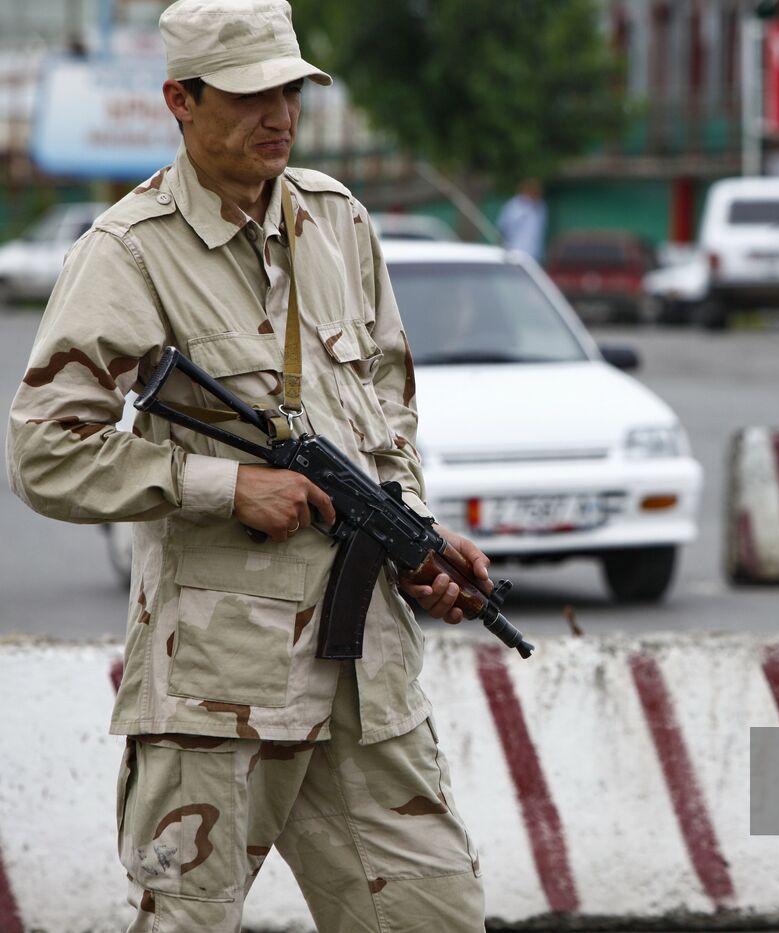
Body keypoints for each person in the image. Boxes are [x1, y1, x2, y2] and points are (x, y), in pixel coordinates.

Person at [6, 1, 492, 928]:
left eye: (291, 90)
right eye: (249, 94)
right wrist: (222, 485)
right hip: (219, 691)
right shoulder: (128, 253)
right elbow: (45, 450)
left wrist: (415, 537)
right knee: (191, 918)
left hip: (366, 679)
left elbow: (387, 413)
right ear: (180, 99)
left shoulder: (339, 224)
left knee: (437, 913)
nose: (280, 114)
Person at [497, 178, 548, 261]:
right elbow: (503, 228)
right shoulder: (513, 205)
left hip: (534, 253)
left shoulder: (541, 207)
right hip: (514, 251)